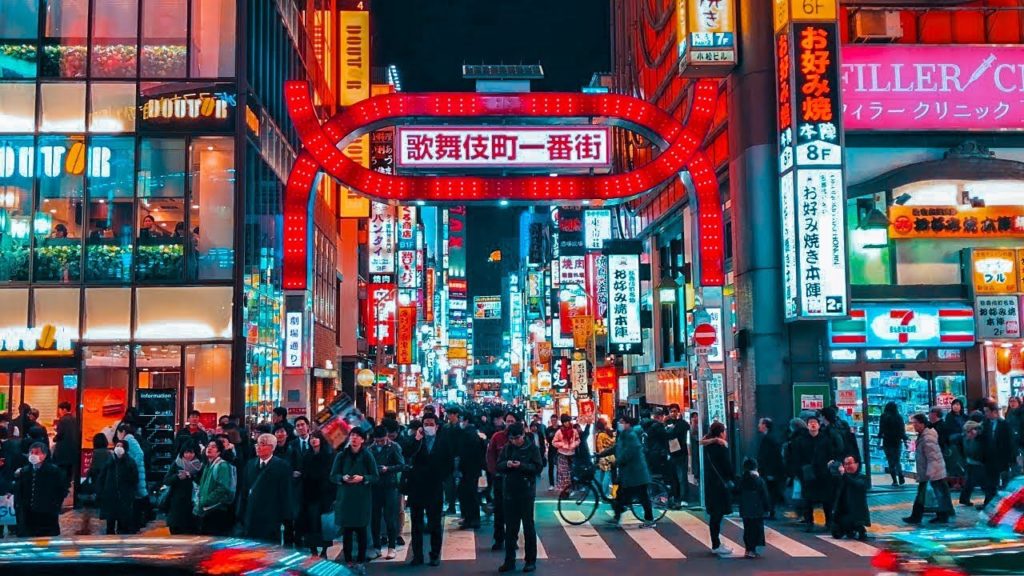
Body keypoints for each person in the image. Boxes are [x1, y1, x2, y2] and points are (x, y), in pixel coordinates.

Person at [406, 412, 454, 567]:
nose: (428, 427)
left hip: (435, 486)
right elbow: (406, 454)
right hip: (416, 486)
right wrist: (416, 439)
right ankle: (417, 556)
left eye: (431, 424)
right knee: (416, 524)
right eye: (425, 424)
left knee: (434, 523)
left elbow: (449, 463)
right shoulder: (416, 440)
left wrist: (441, 477)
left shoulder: (444, 441)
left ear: (437, 426)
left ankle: (434, 555)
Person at [497, 423, 542, 573]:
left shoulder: (532, 448)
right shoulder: (507, 448)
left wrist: (521, 465)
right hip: (509, 492)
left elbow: (537, 467)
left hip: (526, 492)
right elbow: (499, 465)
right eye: (511, 438)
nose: (514, 441)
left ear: (523, 435)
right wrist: (507, 464)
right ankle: (509, 561)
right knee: (510, 528)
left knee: (528, 527)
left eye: (517, 438)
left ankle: (530, 561)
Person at [332, 428, 379, 570]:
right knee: (347, 531)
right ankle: (348, 560)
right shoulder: (341, 455)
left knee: (361, 530)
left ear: (363, 440)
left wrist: (363, 478)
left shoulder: (367, 455)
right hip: (345, 497)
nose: (354, 438)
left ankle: (360, 560)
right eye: (352, 436)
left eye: (358, 436)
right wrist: (342, 478)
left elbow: (375, 476)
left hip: (361, 497)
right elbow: (333, 475)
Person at [600, 416, 655, 528]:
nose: (620, 424)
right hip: (629, 473)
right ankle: (618, 515)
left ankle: (649, 520)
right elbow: (616, 448)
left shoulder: (631, 436)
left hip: (637, 473)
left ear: (628, 424)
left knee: (642, 496)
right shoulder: (624, 435)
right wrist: (601, 454)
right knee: (621, 495)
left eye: (622, 422)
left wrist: (617, 462)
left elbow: (629, 453)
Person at [240, 433, 294, 543]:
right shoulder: (250, 464)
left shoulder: (282, 466)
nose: (258, 447)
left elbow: (286, 492)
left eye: (263, 444)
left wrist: (286, 516)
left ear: (272, 447)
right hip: (252, 513)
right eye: (257, 444)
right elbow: (244, 490)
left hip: (271, 514)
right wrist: (241, 512)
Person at [904, 413, 954, 524]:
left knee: (936, 494)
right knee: (929, 494)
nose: (914, 426)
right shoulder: (924, 435)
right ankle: (918, 516)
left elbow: (933, 457)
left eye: (915, 423)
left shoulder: (927, 437)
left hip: (932, 472)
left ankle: (939, 516)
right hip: (929, 471)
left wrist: (931, 472)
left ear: (922, 423)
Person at [796, 414, 841, 531]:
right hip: (808, 474)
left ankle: (829, 522)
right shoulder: (801, 440)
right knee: (808, 500)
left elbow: (832, 454)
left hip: (824, 474)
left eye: (814, 422)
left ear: (819, 425)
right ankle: (809, 522)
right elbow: (796, 457)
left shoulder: (825, 440)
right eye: (810, 422)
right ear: (807, 425)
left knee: (827, 499)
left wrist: (830, 464)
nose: (812, 424)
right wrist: (800, 470)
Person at [14, 443, 66, 536]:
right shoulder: (24, 471)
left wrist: (55, 505)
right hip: (28, 514)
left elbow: (61, 490)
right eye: (31, 452)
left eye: (37, 453)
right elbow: (20, 491)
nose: (33, 455)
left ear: (45, 455)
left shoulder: (53, 471)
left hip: (47, 514)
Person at [369, 425, 405, 560]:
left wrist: (388, 469)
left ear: (387, 437)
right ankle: (377, 547)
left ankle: (392, 547)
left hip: (390, 486)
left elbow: (402, 465)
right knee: (375, 519)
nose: (379, 443)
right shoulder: (370, 449)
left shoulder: (394, 447)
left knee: (390, 517)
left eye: (382, 440)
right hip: (375, 486)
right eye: (377, 441)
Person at [486, 412, 519, 551]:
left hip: (517, 480)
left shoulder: (522, 438)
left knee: (514, 513)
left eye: (512, 421)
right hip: (500, 479)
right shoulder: (497, 437)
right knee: (499, 511)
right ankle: (499, 539)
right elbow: (490, 456)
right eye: (508, 421)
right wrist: (495, 472)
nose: (510, 423)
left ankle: (513, 539)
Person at [194, 438, 235, 536]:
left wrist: (206, 500)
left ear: (219, 451)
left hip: (216, 509)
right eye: (208, 446)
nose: (210, 448)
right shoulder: (207, 465)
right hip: (207, 508)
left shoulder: (222, 465)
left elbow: (223, 488)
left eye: (214, 447)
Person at [98, 440, 138, 535]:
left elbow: (134, 479)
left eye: (121, 446)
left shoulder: (130, 462)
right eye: (117, 446)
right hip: (110, 497)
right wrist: (101, 492)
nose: (119, 448)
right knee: (110, 525)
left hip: (124, 498)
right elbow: (102, 477)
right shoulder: (109, 461)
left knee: (123, 525)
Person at [163, 442, 201, 535]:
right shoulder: (177, 463)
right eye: (186, 452)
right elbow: (166, 480)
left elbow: (201, 480)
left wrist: (192, 477)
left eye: (191, 453)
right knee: (176, 531)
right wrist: (177, 477)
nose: (188, 455)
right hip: (177, 503)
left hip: (192, 502)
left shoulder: (199, 465)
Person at [115, 424, 148, 528]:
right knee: (138, 497)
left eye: (118, 433)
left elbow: (140, 454)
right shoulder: (129, 439)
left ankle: (140, 520)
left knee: (138, 497)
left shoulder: (129, 439)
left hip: (135, 472)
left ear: (122, 432)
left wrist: (132, 465)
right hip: (136, 471)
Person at [456, 413, 485, 530]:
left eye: (462, 419)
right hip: (475, 468)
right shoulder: (477, 434)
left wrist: (460, 467)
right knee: (472, 494)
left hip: (468, 469)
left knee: (467, 494)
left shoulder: (466, 434)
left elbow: (463, 452)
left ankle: (469, 519)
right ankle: (473, 518)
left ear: (466, 420)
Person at [832, 455, 870, 541]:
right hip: (843, 510)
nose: (847, 466)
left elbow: (856, 484)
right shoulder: (843, 477)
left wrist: (844, 474)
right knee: (836, 533)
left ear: (856, 464)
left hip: (856, 512)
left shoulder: (862, 477)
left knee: (853, 524)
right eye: (845, 464)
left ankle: (860, 530)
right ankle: (849, 530)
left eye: (849, 464)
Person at [738, 457, 769, 559]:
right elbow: (764, 495)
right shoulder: (759, 480)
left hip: (745, 509)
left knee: (747, 529)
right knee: (756, 529)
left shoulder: (742, 479)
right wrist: (767, 508)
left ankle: (748, 549)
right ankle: (752, 550)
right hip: (757, 509)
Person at [755, 418, 784, 519]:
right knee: (769, 491)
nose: (758, 425)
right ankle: (769, 511)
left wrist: (771, 472)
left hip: (770, 471)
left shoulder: (769, 439)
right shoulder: (769, 437)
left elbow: (772, 457)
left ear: (765, 425)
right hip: (768, 470)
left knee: (770, 491)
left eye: (760, 423)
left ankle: (770, 511)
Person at [0, 427, 26, 538]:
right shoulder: (16, 445)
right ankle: (13, 528)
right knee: (11, 506)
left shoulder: (5, 448)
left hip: (5, 481)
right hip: (12, 481)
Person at [665, 404, 691, 506]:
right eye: (671, 411)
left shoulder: (682, 423)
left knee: (682, 477)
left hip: (681, 453)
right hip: (670, 453)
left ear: (678, 412)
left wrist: (672, 429)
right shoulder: (666, 423)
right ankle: (676, 497)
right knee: (673, 477)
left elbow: (684, 429)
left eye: (675, 411)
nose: (673, 413)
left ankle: (684, 498)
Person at [878, 402, 908, 487]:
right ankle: (901, 475)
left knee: (890, 461)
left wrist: (879, 439)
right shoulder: (899, 417)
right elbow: (902, 430)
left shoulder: (883, 417)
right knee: (897, 460)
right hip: (897, 441)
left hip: (887, 441)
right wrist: (905, 441)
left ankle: (894, 481)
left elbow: (881, 429)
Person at [959, 420, 987, 507]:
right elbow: (971, 451)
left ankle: (964, 499)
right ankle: (964, 499)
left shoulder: (978, 437)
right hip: (973, 462)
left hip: (975, 462)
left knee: (972, 482)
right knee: (979, 482)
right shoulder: (968, 438)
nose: (968, 433)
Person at [52, 401, 79, 490]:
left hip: (63, 448)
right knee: (69, 469)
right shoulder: (75, 419)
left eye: (59, 409)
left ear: (64, 409)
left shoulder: (63, 420)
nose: (59, 412)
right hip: (73, 448)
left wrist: (54, 438)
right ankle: (68, 486)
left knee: (62, 469)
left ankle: (62, 487)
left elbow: (60, 434)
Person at [551, 415, 580, 494]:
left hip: (572, 454)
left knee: (572, 473)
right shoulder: (559, 432)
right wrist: (563, 445)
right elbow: (554, 442)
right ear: (563, 423)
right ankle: (564, 490)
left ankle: (571, 489)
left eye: (568, 421)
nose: (567, 423)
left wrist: (574, 444)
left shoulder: (574, 431)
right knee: (563, 473)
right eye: (565, 422)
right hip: (562, 454)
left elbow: (578, 440)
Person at [594, 415, 616, 498]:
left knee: (602, 475)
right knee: (607, 475)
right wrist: (614, 435)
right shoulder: (603, 435)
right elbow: (612, 442)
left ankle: (600, 492)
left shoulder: (599, 434)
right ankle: (604, 493)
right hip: (607, 457)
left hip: (601, 457)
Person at [545, 415, 559, 491]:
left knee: (559, 467)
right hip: (551, 449)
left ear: (557, 420)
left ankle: (558, 483)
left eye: (555, 420)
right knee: (551, 467)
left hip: (559, 450)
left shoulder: (560, 428)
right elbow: (547, 439)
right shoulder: (548, 429)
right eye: (552, 420)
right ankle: (551, 484)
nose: (554, 421)